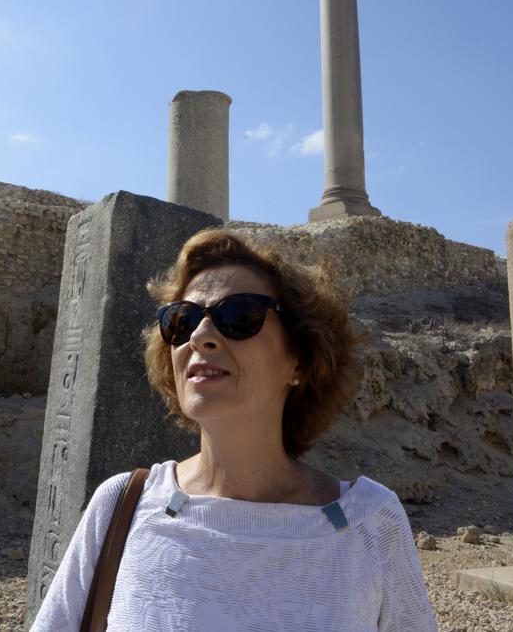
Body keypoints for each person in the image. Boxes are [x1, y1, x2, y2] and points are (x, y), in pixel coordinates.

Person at [32, 229, 437, 631]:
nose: (200, 337)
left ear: (299, 359)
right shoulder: (121, 506)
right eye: (182, 320)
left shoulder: (370, 522)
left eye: (238, 316)